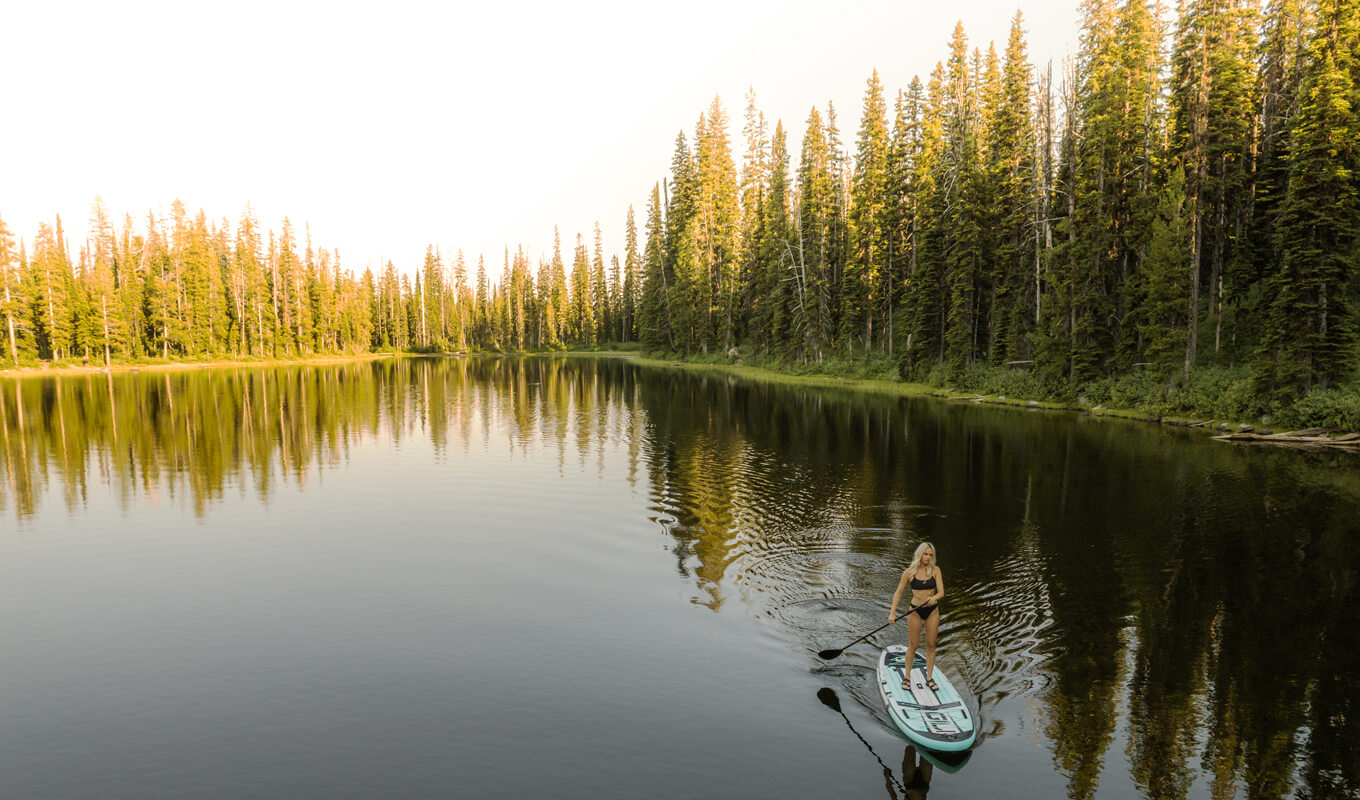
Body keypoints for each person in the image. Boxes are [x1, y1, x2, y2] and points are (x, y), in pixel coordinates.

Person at [888, 542, 944, 691]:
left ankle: (929, 678)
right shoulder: (909, 572)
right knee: (913, 645)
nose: (928, 557)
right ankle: (907, 678)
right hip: (915, 611)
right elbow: (898, 593)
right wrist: (892, 613)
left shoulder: (936, 570)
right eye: (925, 554)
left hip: (932, 611)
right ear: (920, 554)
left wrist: (935, 598)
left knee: (931, 645)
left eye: (931, 555)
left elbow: (941, 592)